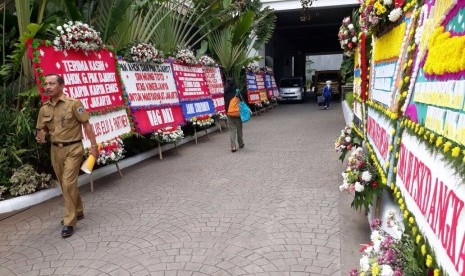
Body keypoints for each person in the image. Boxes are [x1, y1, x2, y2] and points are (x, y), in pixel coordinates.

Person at [36, 73, 98, 238]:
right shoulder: (44, 109)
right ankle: (78, 211)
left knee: (68, 182)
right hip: (55, 150)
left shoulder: (74, 104)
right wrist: (40, 135)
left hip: (73, 148)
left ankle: (69, 222)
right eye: (46, 84)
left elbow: (87, 125)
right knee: (65, 185)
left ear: (61, 85)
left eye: (52, 83)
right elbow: (42, 129)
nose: (48, 87)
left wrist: (94, 147)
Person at [224, 78, 245, 153]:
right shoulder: (237, 91)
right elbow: (242, 101)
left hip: (229, 113)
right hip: (237, 113)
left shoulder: (225, 92)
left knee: (232, 131)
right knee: (239, 129)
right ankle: (241, 143)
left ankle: (233, 147)